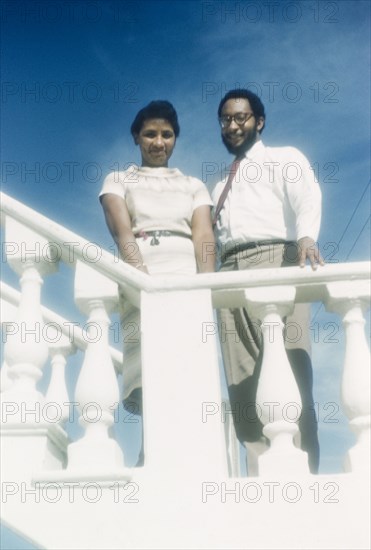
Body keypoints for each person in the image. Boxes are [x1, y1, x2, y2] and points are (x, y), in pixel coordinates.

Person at [212, 89, 324, 475]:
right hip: (229, 272)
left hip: (276, 257)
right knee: (242, 381)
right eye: (226, 119)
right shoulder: (218, 187)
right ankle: (260, 478)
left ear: (259, 121)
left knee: (291, 371)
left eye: (240, 117)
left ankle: (304, 475)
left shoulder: (284, 158)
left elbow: (307, 197)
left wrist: (307, 237)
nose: (232, 125)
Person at [99, 100, 215, 464]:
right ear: (137, 137)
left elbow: (204, 237)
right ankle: (152, 456)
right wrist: (143, 282)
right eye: (150, 134)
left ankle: (189, 456)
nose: (158, 142)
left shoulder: (193, 184)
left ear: (175, 139)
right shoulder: (118, 180)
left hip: (186, 281)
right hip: (142, 277)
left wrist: (206, 288)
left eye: (166, 134)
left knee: (189, 370)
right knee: (152, 373)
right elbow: (122, 233)